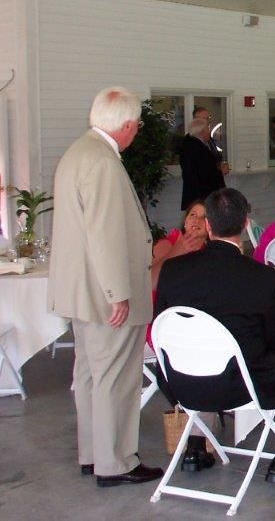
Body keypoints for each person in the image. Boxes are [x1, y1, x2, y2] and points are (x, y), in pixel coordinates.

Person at [155, 188, 275, 490]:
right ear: (245, 224)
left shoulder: (172, 271)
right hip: (242, 384)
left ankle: (197, 445)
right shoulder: (262, 277)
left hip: (180, 380)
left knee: (203, 348)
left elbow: (164, 327)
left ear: (208, 226)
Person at [48, 86, 163, 486]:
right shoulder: (103, 163)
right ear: (128, 125)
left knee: (91, 376)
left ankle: (93, 453)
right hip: (104, 293)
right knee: (115, 377)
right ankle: (116, 462)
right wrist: (119, 293)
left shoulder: (77, 153)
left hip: (80, 291)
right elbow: (106, 234)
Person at [148, 200, 208, 345]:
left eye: (204, 217)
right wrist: (178, 250)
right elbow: (149, 283)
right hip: (162, 321)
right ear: (185, 221)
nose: (197, 219)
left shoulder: (210, 253)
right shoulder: (167, 244)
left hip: (197, 318)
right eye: (193, 214)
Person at [179, 116, 226, 210]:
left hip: (198, 196)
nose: (209, 132)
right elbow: (206, 174)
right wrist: (219, 171)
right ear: (202, 132)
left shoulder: (191, 146)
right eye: (208, 129)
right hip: (202, 196)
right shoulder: (197, 149)